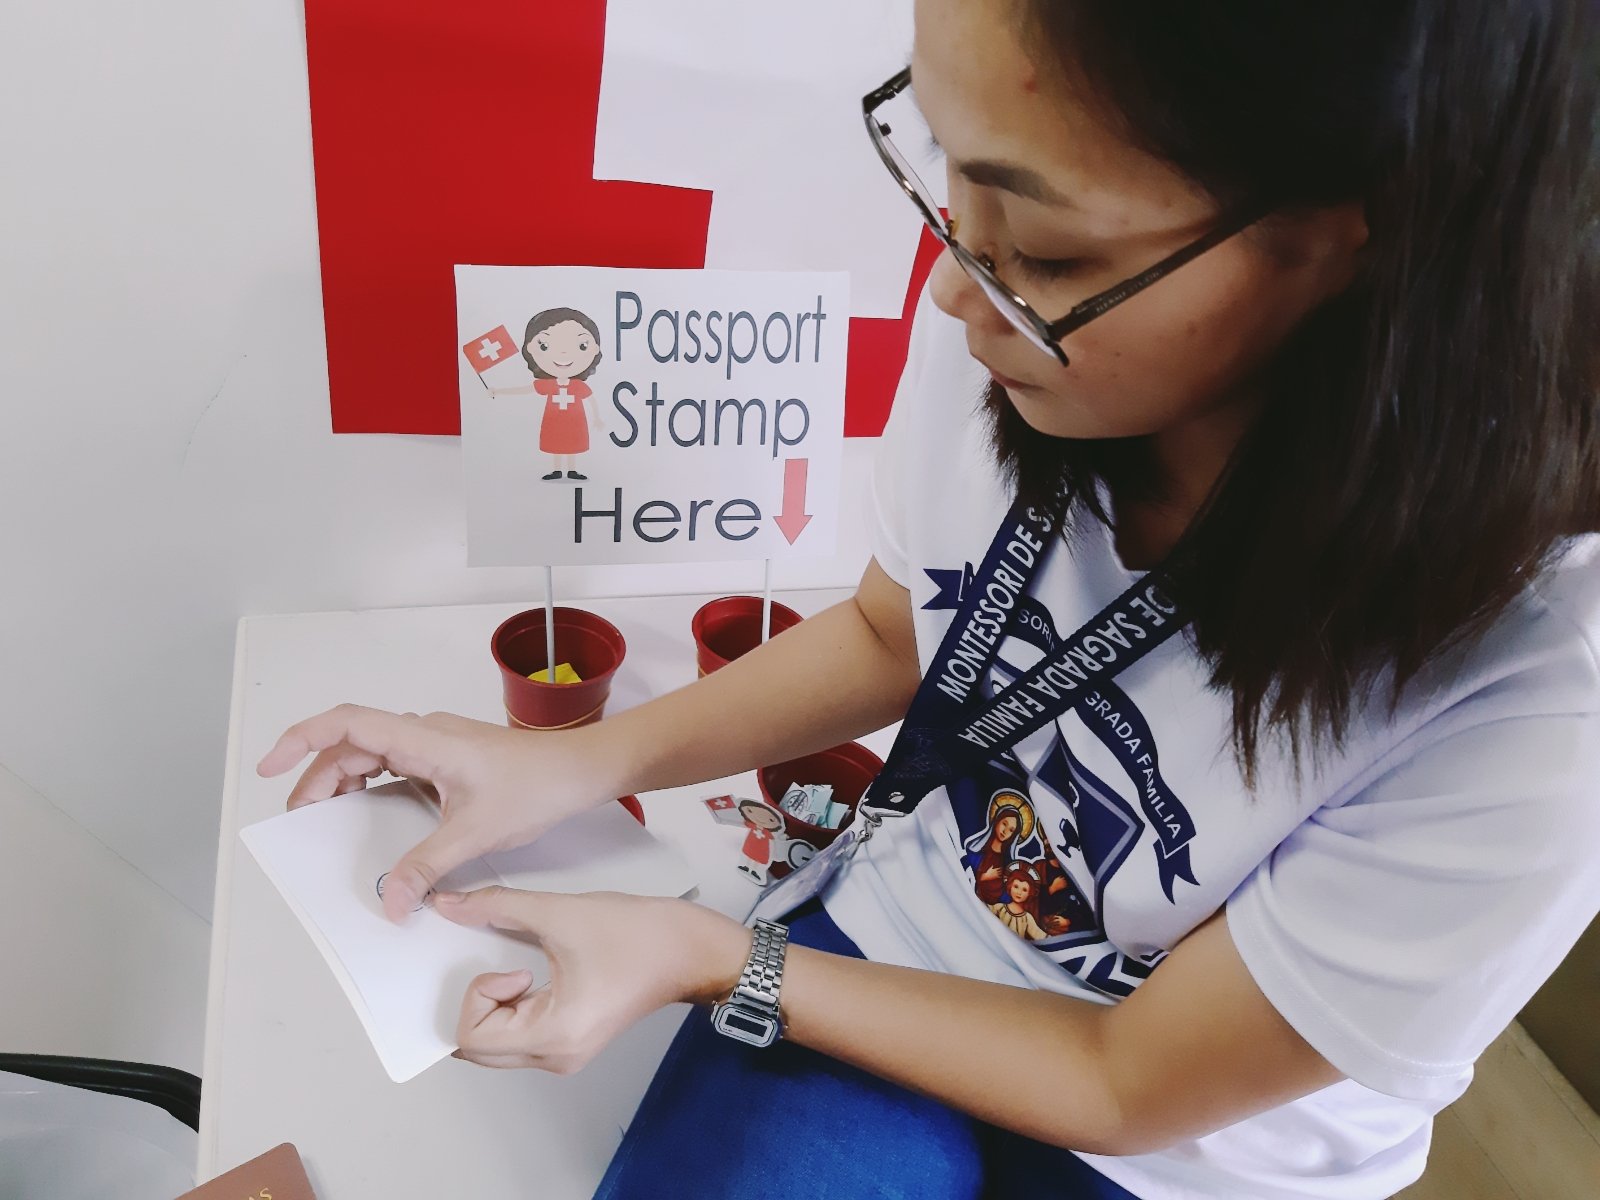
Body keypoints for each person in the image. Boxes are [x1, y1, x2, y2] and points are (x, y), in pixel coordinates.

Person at [256, 2, 1600, 1196]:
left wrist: (714, 958)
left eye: (1048, 250)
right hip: (899, 942)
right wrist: (570, 763)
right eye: (948, 171)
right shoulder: (1013, 338)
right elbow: (892, 634)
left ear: (1350, 245)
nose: (957, 284)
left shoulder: (1546, 690)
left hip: (1204, 1149)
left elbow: (1128, 1085)